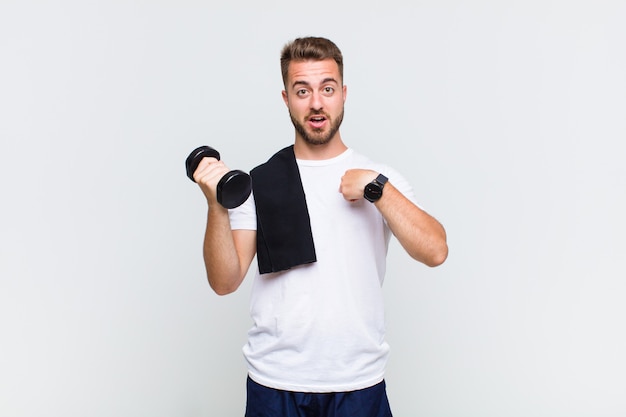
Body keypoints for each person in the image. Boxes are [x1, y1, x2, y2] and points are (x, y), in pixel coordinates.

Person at [192, 36, 448, 417]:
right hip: (274, 380)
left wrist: (377, 189)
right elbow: (224, 281)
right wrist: (216, 205)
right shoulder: (260, 182)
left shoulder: (380, 178)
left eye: (327, 89)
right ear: (286, 99)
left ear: (343, 94)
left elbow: (435, 251)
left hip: (357, 382)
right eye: (302, 90)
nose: (316, 103)